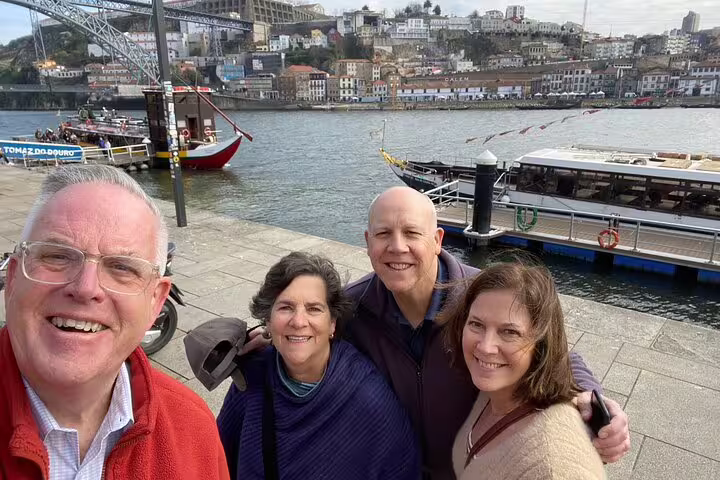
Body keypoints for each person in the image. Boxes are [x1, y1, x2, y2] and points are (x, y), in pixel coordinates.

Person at [241, 186, 631, 480]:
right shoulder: (353, 308)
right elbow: (305, 327)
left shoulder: (481, 302)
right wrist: (264, 340)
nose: (397, 247)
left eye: (412, 233)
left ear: (438, 239)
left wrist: (594, 398)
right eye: (383, 234)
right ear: (366, 242)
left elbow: (551, 349)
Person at [0, 165, 230, 479]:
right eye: (57, 256)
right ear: (13, 279)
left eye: (122, 267)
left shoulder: (193, 427)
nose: (85, 288)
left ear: (155, 302)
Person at [217, 252, 420, 480]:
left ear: (332, 323)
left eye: (314, 308)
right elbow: (216, 460)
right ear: (268, 320)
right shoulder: (250, 379)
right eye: (285, 307)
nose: (299, 321)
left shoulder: (368, 400)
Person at [443, 261, 606, 479]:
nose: (485, 347)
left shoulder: (553, 467)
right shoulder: (497, 390)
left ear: (541, 344)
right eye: (476, 324)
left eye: (509, 332)